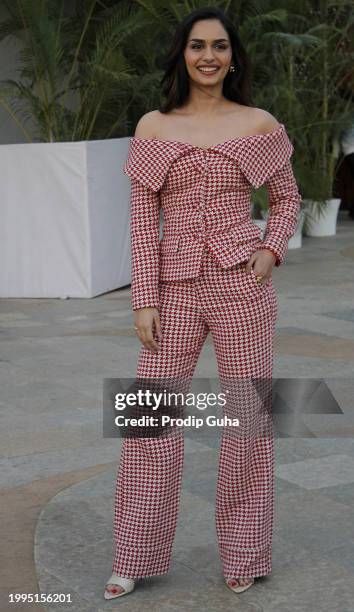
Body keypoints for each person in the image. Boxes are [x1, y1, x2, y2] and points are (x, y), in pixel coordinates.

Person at [104, 6, 301, 600]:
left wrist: (268, 254)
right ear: (182, 55)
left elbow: (287, 199)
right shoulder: (153, 126)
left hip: (241, 285)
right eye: (197, 46)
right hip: (171, 288)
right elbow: (142, 224)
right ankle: (132, 554)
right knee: (148, 421)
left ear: (232, 56)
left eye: (219, 46)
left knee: (249, 419)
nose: (208, 56)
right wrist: (144, 300)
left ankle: (245, 553)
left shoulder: (258, 122)